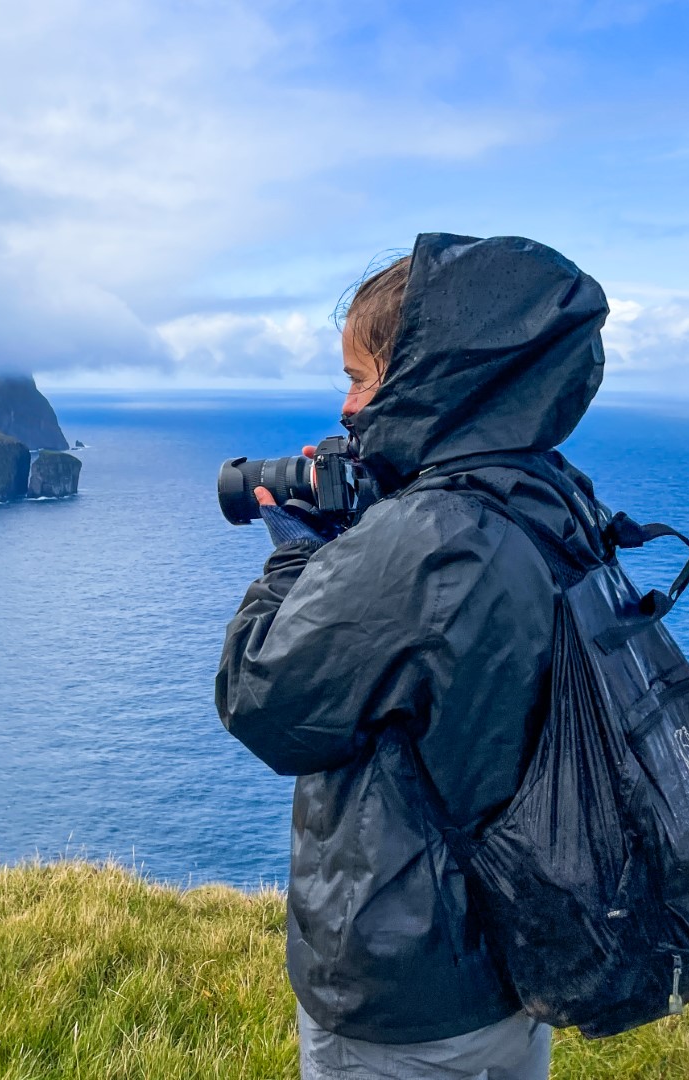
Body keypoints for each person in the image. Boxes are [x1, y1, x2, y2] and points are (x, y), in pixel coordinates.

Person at [215, 233, 611, 1079]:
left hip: (407, 981)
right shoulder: (544, 494)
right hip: (512, 943)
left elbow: (261, 700)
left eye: (361, 378)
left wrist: (296, 558)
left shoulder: (423, 542)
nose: (349, 411)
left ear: (431, 376)